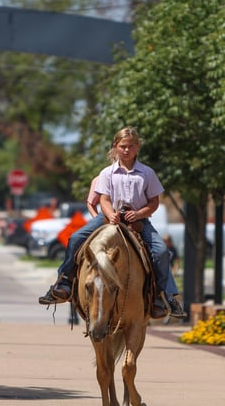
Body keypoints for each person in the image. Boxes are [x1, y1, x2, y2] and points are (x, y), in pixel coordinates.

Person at [38, 126, 186, 319]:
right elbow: (104, 199)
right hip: (108, 217)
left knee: (161, 251)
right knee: (75, 238)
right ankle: (64, 282)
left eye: (131, 146)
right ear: (116, 147)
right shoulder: (107, 173)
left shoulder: (147, 173)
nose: (126, 150)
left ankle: (164, 296)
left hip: (138, 219)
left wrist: (140, 213)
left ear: (137, 147)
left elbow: (154, 202)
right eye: (123, 146)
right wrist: (111, 215)